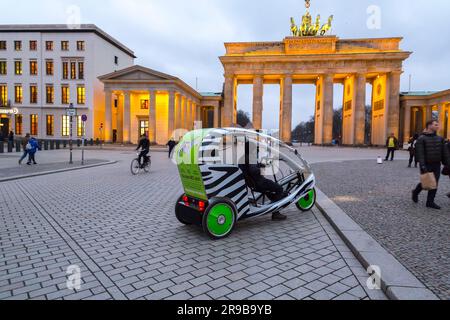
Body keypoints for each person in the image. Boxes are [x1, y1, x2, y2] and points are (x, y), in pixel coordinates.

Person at [239, 141, 288, 221]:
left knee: (270, 190)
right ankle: (276, 213)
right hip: (259, 183)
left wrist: (260, 165)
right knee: (279, 189)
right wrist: (262, 168)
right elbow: (254, 170)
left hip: (253, 184)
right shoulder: (251, 157)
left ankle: (276, 200)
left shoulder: (243, 158)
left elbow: (251, 168)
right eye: (254, 148)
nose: (256, 149)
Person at [412, 120, 450, 210]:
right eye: (435, 125)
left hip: (436, 164)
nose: (437, 126)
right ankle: (415, 192)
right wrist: (422, 165)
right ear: (429, 126)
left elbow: (445, 153)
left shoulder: (440, 138)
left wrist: (448, 163)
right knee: (426, 182)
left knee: (435, 183)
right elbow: (420, 153)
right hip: (426, 164)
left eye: (437, 125)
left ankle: (430, 202)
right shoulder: (421, 139)